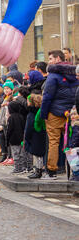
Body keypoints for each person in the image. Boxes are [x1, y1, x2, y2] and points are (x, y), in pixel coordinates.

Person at [40, 50, 79, 179]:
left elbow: (47, 96)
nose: (49, 61)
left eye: (51, 58)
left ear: (57, 59)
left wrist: (44, 114)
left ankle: (52, 171)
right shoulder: (75, 73)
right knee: (72, 142)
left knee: (53, 142)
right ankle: (74, 170)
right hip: (71, 113)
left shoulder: (53, 75)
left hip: (55, 113)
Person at [24, 94, 46, 179]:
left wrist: (27, 137)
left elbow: (29, 126)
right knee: (39, 154)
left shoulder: (31, 113)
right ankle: (38, 170)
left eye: (28, 101)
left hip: (34, 135)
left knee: (37, 155)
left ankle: (38, 171)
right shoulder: (40, 110)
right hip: (41, 134)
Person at [6, 101, 27, 174]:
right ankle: (23, 167)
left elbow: (9, 130)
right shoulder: (21, 116)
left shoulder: (11, 118)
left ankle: (17, 168)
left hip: (13, 139)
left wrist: (7, 140)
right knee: (22, 154)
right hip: (21, 139)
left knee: (15, 154)